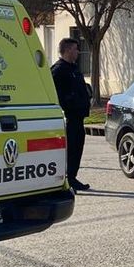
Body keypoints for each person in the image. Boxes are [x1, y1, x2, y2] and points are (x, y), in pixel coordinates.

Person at [51, 37, 92, 192]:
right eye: (75, 49)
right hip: (68, 118)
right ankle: (66, 181)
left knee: (77, 150)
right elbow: (57, 96)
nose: (78, 52)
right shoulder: (58, 70)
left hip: (79, 118)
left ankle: (73, 178)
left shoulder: (74, 68)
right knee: (69, 151)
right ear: (67, 50)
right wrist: (72, 101)